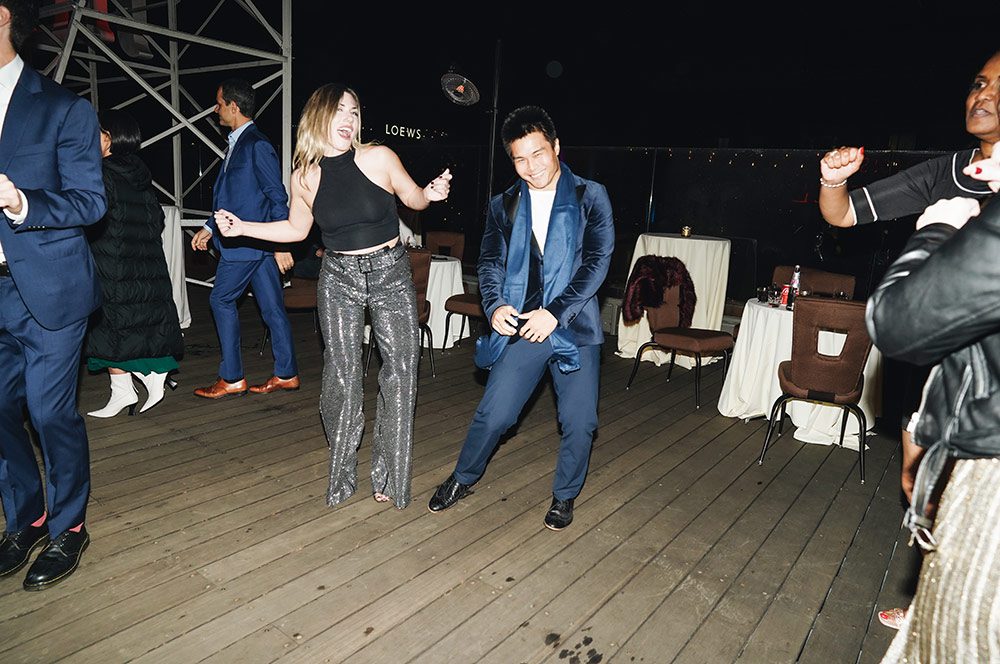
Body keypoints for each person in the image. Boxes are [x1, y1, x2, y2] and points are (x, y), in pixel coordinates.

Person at [213, 83, 452, 508]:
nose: (349, 119)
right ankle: (341, 475)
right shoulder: (304, 174)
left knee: (399, 374)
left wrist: (431, 194)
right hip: (338, 276)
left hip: (390, 273)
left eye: (355, 112)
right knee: (341, 380)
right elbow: (295, 231)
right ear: (319, 116)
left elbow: (412, 197)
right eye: (340, 110)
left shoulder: (378, 157)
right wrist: (243, 228)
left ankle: (390, 476)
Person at [819, 50, 1000, 511]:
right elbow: (841, 214)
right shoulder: (947, 172)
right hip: (933, 375)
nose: (985, 95)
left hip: (990, 396)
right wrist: (833, 181)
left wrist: (941, 229)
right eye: (979, 83)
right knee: (924, 500)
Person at [426, 105, 614, 530]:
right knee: (495, 416)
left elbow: (597, 263)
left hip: (575, 327)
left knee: (580, 423)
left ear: (556, 147)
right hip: (524, 326)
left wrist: (557, 312)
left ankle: (564, 497)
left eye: (538, 154)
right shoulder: (504, 204)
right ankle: (463, 477)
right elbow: (489, 262)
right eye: (520, 159)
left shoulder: (590, 196)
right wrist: (494, 306)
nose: (531, 167)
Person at [868, 148, 1000, 662]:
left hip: (985, 456)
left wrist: (935, 229)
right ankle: (924, 603)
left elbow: (895, 322)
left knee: (960, 639)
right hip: (955, 402)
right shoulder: (947, 171)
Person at [0, 0, 107, 590]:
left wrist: (22, 204)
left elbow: (91, 201)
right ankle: (27, 517)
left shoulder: (64, 108)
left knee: (48, 412)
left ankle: (69, 527)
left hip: (48, 287)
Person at [190, 77, 299, 398]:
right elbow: (234, 197)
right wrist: (210, 227)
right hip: (254, 246)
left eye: (219, 104)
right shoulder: (239, 142)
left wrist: (281, 243)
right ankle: (286, 373)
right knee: (272, 310)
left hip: (247, 246)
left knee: (220, 300)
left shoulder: (256, 145)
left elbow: (277, 197)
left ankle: (232, 377)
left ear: (233, 107)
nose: (215, 109)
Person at [84, 110, 184, 417]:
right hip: (141, 262)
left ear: (109, 138)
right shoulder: (140, 173)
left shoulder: (101, 173)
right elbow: (156, 220)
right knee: (119, 329)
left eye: (95, 132)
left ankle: (148, 376)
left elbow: (91, 216)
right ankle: (123, 391)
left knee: (107, 326)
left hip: (112, 262)